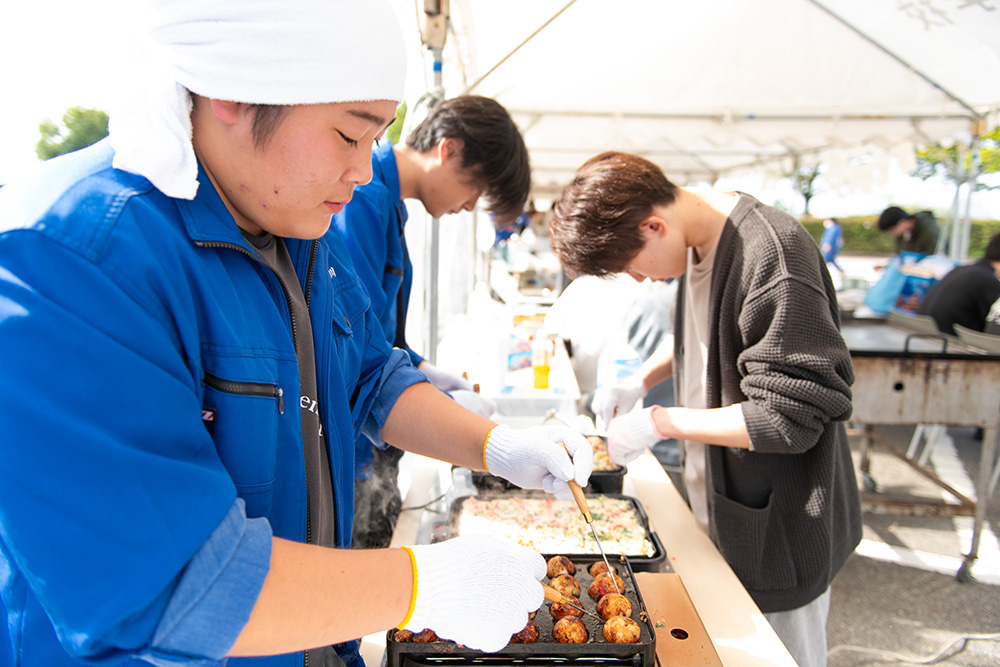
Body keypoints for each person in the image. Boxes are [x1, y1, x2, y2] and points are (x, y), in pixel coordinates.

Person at [0, 2, 595, 665]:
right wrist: (421, 583)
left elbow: (369, 375)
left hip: (310, 639)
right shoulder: (73, 259)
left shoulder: (292, 229)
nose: (367, 172)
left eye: (376, 140)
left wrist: (498, 445)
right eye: (349, 135)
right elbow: (166, 587)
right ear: (233, 90)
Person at [547, 152, 862, 667]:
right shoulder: (696, 243)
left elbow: (792, 415)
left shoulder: (772, 256)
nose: (641, 279)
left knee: (775, 654)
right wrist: (642, 379)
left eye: (632, 266)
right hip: (723, 506)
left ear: (655, 225)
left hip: (780, 524)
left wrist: (659, 421)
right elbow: (708, 333)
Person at [331, 95, 529, 548]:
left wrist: (423, 370)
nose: (470, 204)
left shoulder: (390, 203)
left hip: (374, 427)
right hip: (357, 434)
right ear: (449, 149)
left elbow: (380, 331)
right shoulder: (362, 196)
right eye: (475, 189)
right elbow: (353, 340)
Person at [917, 232, 1000, 335]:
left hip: (923, 333)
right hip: (949, 342)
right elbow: (992, 325)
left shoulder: (962, 270)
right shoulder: (988, 280)